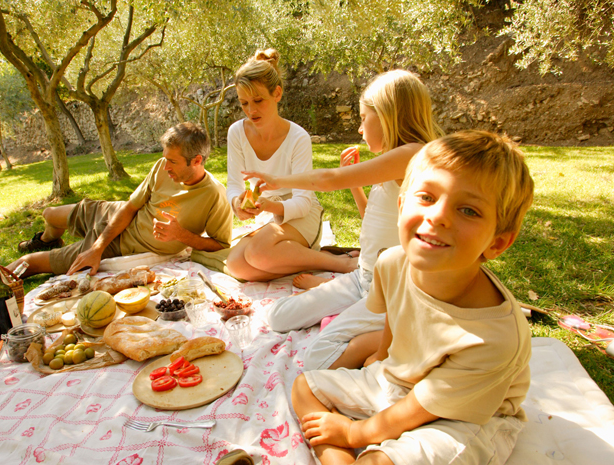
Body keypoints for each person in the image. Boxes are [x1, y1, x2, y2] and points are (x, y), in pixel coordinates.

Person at [291, 130, 535, 465]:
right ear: (401, 204)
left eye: (468, 210)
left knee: (380, 460)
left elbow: (423, 406)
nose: (438, 216)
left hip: (467, 416)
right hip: (400, 380)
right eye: (426, 197)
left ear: (496, 243)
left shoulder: (495, 336)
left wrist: (353, 434)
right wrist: (380, 356)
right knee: (304, 387)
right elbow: (395, 314)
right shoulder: (392, 262)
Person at [243, 70, 441, 370]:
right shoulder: (394, 161)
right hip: (364, 277)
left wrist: (276, 179)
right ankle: (346, 307)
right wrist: (356, 187)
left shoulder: (413, 155)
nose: (361, 129)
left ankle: (408, 332)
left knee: (318, 359)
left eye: (364, 118)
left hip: (391, 290)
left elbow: (327, 178)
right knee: (276, 316)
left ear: (388, 116)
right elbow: (373, 221)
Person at [0, 123, 232, 294]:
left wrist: (182, 235)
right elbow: (129, 207)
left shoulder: (214, 196)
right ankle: (48, 236)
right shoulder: (160, 168)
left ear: (197, 161)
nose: (165, 166)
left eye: (173, 162)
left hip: (123, 246)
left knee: (30, 262)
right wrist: (97, 246)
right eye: (164, 158)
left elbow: (220, 244)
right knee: (50, 214)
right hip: (114, 216)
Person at [225, 49, 358, 282]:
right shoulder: (236, 132)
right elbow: (234, 186)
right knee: (236, 266)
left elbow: (303, 203)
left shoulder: (298, 137)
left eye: (258, 101)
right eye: (244, 103)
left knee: (257, 253)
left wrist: (268, 206)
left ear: (277, 93)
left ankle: (341, 263)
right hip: (269, 216)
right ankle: (301, 256)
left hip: (300, 213)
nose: (250, 110)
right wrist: (237, 203)